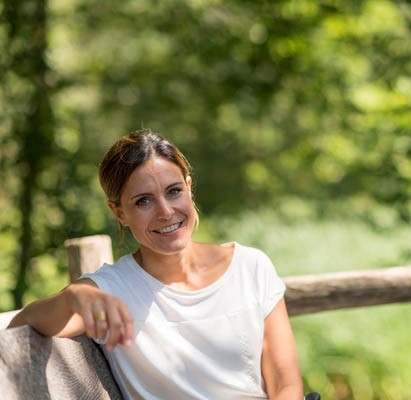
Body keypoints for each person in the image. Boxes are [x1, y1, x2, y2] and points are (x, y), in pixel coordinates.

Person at [8, 130, 305, 399]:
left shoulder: (250, 267)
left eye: (174, 191)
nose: (165, 212)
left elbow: (286, 386)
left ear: (189, 188)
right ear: (119, 213)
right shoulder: (111, 291)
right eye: (143, 202)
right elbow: (20, 327)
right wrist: (74, 296)